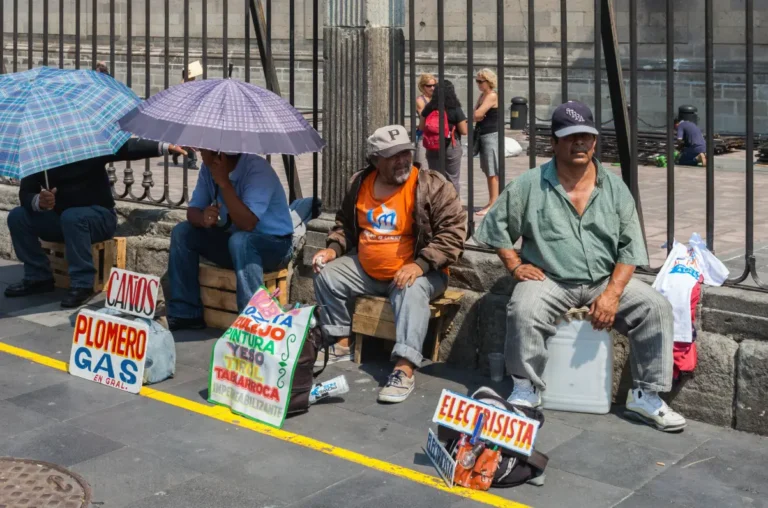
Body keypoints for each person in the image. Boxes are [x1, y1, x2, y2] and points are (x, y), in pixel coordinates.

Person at [475, 101, 686, 432]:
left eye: (586, 136)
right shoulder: (529, 185)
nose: (579, 144)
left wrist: (613, 293)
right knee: (524, 307)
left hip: (603, 279)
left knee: (655, 307)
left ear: (594, 141)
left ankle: (645, 395)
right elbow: (495, 229)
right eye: (570, 137)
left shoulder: (614, 187)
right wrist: (515, 266)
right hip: (550, 278)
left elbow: (631, 248)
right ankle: (526, 389)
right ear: (554, 142)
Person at [312, 125, 466, 403]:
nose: (403, 160)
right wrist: (333, 249)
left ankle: (404, 368)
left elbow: (454, 233)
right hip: (368, 271)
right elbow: (345, 225)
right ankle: (340, 341)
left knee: (410, 288)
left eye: (406, 152)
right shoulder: (359, 183)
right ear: (375, 159)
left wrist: (420, 265)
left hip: (422, 272)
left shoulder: (431, 185)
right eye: (394, 155)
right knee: (327, 273)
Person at [6, 139, 186, 307]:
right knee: (18, 216)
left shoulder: (86, 145)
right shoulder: (39, 154)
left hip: (98, 217)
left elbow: (126, 148)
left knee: (73, 217)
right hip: (60, 219)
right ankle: (38, 277)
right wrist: (39, 200)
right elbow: (25, 194)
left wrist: (164, 147)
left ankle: (83, 284)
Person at [166, 150, 294, 331]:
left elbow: (247, 223)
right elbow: (192, 210)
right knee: (183, 232)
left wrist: (224, 184)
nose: (200, 153)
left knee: (241, 240)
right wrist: (203, 218)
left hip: (275, 245)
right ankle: (185, 313)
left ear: (220, 155)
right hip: (236, 243)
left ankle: (251, 322)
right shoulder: (208, 168)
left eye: (204, 150)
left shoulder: (257, 170)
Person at [419, 80, 468, 194]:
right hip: (451, 145)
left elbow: (421, 127)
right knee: (452, 178)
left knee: (435, 178)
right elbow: (464, 131)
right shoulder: (455, 109)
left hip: (432, 145)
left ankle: (437, 207)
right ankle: (453, 207)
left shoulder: (429, 108)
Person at [473, 68, 500, 216]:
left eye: (480, 81)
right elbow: (474, 115)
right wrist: (477, 115)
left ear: (488, 81)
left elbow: (477, 113)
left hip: (491, 134)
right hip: (483, 134)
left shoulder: (491, 95)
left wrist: (477, 115)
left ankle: (494, 203)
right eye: (476, 81)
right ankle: (492, 200)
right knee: (487, 169)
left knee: (492, 170)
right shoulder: (482, 95)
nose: (477, 84)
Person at [172, 61, 204, 170]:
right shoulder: (183, 85)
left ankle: (177, 153)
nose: (194, 77)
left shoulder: (194, 84)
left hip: (193, 115)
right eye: (193, 75)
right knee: (190, 139)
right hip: (184, 116)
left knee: (191, 139)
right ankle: (191, 162)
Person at [414, 73, 437, 168]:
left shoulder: (438, 98)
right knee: (422, 165)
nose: (432, 88)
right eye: (429, 86)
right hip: (424, 134)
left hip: (436, 134)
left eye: (434, 85)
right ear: (423, 87)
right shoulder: (420, 100)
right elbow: (425, 117)